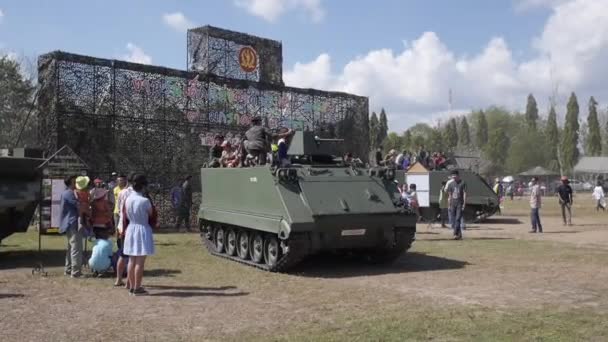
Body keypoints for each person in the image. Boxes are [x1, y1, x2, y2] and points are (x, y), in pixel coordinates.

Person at [123, 174, 155, 296]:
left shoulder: (128, 198)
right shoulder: (144, 200)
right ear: (143, 186)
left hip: (131, 228)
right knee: (140, 261)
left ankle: (131, 286)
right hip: (141, 228)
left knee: (132, 259)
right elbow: (151, 214)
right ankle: (137, 287)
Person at [114, 172, 135, 288]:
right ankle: (129, 282)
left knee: (122, 254)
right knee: (133, 256)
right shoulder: (137, 193)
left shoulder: (121, 192)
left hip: (122, 226)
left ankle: (118, 279)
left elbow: (119, 210)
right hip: (131, 227)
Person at [60, 175, 83, 278]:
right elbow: (79, 206)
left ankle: (69, 269)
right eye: (75, 182)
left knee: (71, 248)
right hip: (72, 223)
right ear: (70, 183)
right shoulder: (69, 193)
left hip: (70, 223)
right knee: (76, 248)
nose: (77, 184)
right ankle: (75, 271)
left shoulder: (69, 193)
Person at [446, 170, 466, 240]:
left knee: (458, 219)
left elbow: (464, 194)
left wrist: (464, 203)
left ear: (458, 175)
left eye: (455, 176)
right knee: (453, 220)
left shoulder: (462, 183)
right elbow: (449, 195)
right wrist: (448, 205)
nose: (454, 177)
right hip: (452, 204)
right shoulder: (450, 184)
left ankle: (455, 233)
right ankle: (459, 235)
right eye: (452, 176)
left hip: (459, 203)